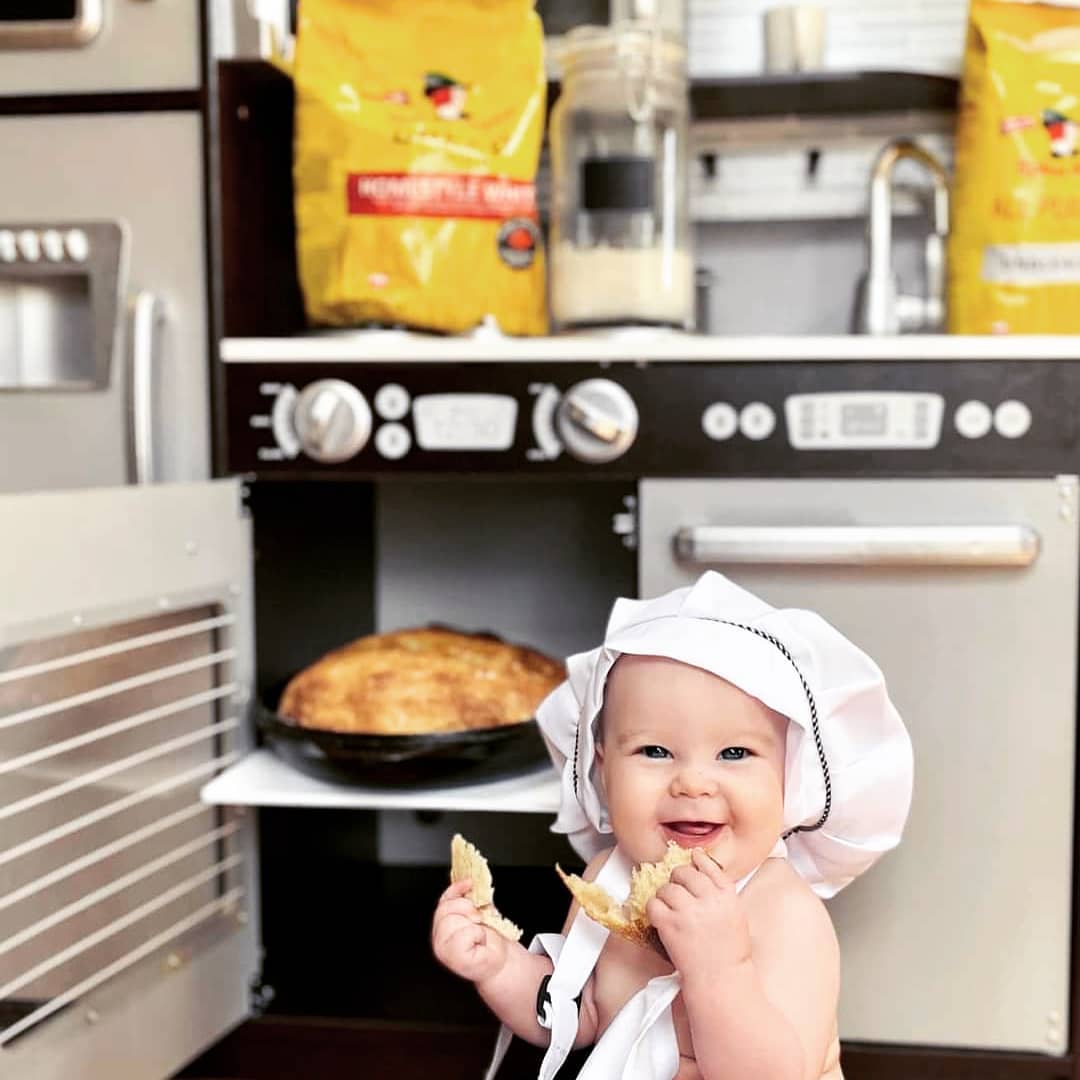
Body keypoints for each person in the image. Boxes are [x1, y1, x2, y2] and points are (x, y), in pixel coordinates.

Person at [431, 571, 914, 1079]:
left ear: (788, 779)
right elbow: (579, 1015)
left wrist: (719, 972)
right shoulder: (606, 880)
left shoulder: (783, 910)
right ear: (603, 769)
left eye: (734, 753)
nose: (693, 783)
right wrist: (501, 968)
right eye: (655, 751)